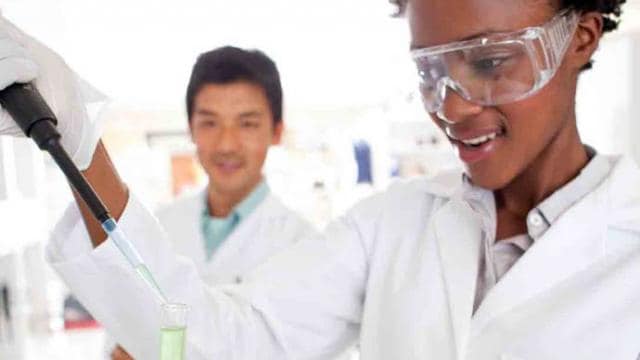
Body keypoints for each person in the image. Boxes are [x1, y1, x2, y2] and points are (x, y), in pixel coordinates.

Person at [1, 0, 638, 358]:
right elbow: (221, 342)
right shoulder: (393, 225)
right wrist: (81, 143)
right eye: (431, 73)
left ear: (579, 37)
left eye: (491, 63)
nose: (455, 105)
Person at [107, 47, 317, 359]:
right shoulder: (157, 228)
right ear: (191, 128)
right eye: (209, 123)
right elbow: (119, 341)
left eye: (247, 124)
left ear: (276, 131)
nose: (226, 144)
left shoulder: (303, 245)